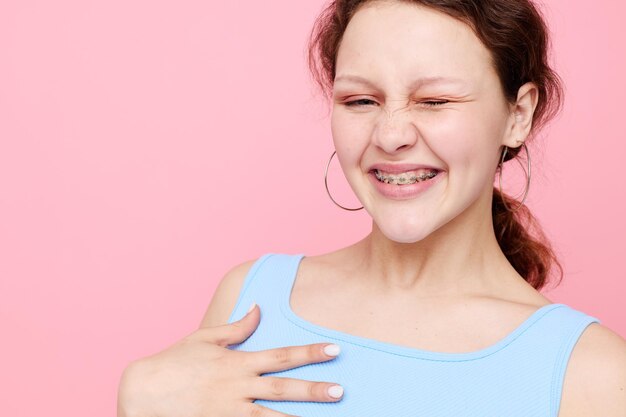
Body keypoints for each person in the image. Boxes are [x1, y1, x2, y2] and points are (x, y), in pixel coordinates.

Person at [117, 0, 626, 416]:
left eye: (435, 101)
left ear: (518, 114)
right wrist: (137, 403)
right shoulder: (251, 301)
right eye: (361, 100)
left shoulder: (593, 374)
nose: (390, 135)